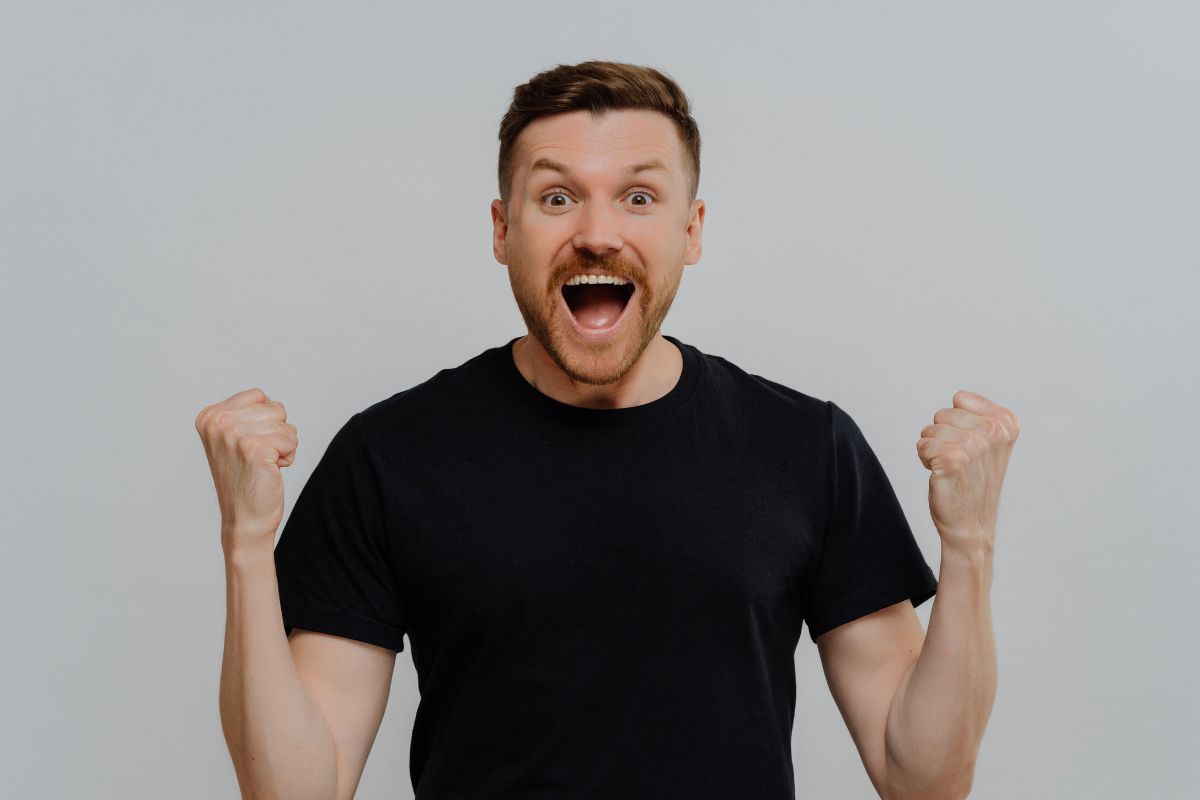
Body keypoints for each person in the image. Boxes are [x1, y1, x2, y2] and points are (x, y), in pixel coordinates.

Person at [196, 60, 1015, 800]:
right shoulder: (390, 457)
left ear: (690, 232)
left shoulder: (808, 448)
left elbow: (925, 780)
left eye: (639, 196)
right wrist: (245, 542)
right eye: (556, 196)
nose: (596, 231)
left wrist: (970, 544)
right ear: (501, 229)